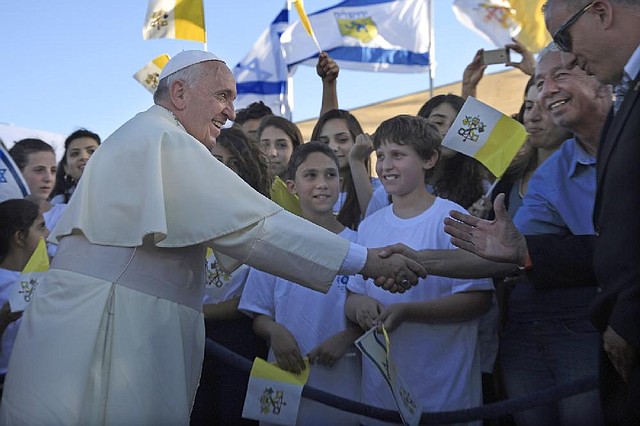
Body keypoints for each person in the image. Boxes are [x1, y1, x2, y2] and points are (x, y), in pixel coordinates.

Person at [0, 50, 425, 425]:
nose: (231, 111)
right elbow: (257, 226)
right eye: (222, 96)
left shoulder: (150, 137)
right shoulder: (163, 138)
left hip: (111, 314)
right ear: (180, 94)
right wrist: (364, 261)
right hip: (111, 323)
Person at [345, 115, 493, 425]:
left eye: (398, 155)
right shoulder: (370, 225)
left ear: (429, 159)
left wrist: (409, 311)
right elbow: (353, 296)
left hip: (443, 393)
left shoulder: (452, 218)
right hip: (381, 396)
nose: (386, 165)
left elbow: (478, 299)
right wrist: (363, 309)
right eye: (380, 156)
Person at [544, 1, 640, 423]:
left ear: (601, 12)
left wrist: (630, 316)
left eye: (563, 37)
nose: (566, 57)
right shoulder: (630, 93)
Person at [239, 142, 362, 425]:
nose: (322, 184)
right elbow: (258, 313)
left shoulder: (359, 244)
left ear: (340, 182)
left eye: (330, 175)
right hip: (285, 381)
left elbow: (370, 315)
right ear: (292, 187)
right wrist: (275, 332)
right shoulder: (275, 243)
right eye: (311, 176)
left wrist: (347, 337)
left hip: (344, 383)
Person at [190, 127, 270, 426]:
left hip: (240, 341)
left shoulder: (261, 216)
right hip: (194, 339)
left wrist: (195, 309)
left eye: (231, 162)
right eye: (215, 159)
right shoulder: (189, 213)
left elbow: (250, 299)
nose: (222, 169)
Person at [0, 199, 49, 393]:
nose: (48, 234)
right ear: (20, 237)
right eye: (41, 228)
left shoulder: (46, 277)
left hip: (33, 382)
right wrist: (3, 320)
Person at [311, 109, 379, 229]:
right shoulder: (308, 190)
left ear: (357, 141)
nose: (332, 147)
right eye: (324, 142)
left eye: (342, 140)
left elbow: (374, 226)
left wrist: (356, 161)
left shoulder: (379, 188)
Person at [8, 138, 64, 256]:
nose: (48, 178)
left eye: (53, 171)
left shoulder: (67, 214)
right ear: (16, 173)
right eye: (39, 170)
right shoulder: (4, 216)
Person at [256, 114, 304, 215]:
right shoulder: (251, 193)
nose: (272, 153)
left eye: (281, 145)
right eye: (265, 145)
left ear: (295, 149)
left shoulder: (309, 191)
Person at [49, 128, 100, 205]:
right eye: (75, 153)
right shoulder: (57, 205)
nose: (84, 157)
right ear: (66, 168)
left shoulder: (122, 192)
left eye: (91, 151)